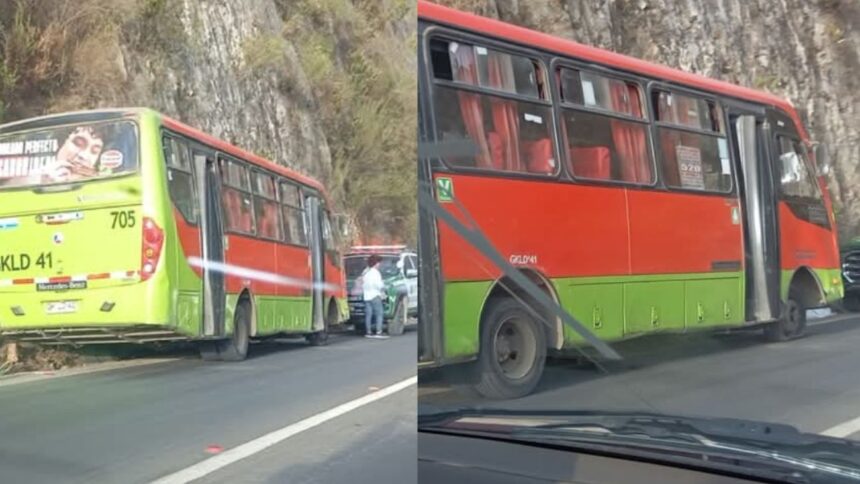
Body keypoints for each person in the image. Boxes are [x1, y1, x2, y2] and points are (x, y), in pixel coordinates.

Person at [362, 254, 387, 339]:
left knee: (368, 314)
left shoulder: (366, 272)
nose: (379, 264)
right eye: (379, 262)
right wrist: (384, 287)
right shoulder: (376, 273)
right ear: (376, 263)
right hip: (375, 295)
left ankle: (368, 332)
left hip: (366, 295)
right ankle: (378, 332)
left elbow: (363, 283)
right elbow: (379, 285)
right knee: (379, 314)